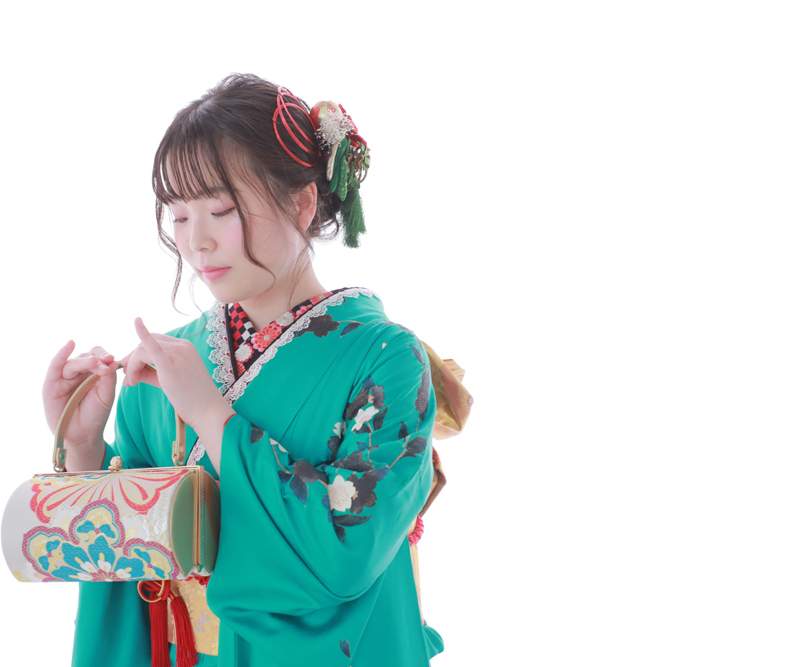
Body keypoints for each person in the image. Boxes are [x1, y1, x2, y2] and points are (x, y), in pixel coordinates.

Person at [41, 73, 460, 667]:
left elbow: (349, 553)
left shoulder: (386, 359)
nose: (196, 242)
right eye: (178, 216)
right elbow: (127, 558)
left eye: (220, 209)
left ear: (302, 203)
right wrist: (83, 448)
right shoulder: (164, 369)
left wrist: (213, 416)